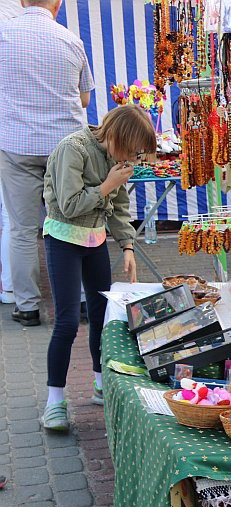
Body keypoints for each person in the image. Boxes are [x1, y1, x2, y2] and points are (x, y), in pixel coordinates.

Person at [40, 105, 153, 431]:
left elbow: (119, 207)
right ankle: (54, 401)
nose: (132, 158)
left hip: (95, 242)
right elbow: (68, 204)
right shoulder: (72, 149)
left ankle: (101, 384)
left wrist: (127, 245)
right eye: (131, 150)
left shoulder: (118, 159)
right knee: (67, 321)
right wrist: (106, 184)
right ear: (117, 135)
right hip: (63, 239)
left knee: (103, 316)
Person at [0, 0, 95, 326]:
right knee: (74, 222)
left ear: (23, 2)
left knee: (23, 230)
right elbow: (84, 98)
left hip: (17, 146)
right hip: (65, 146)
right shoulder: (70, 39)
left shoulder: (3, 37)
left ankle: (27, 306)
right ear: (57, 3)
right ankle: (82, 301)